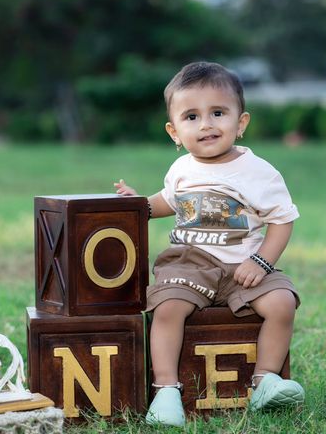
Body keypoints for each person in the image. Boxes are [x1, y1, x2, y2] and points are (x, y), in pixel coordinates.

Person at [114, 61, 304, 426]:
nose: (206, 124)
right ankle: (166, 390)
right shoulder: (182, 169)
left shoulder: (259, 172)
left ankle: (265, 381)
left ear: (241, 122)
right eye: (191, 117)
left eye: (218, 112)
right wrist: (138, 205)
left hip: (244, 265)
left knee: (281, 302)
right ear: (174, 131)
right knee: (167, 307)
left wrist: (262, 263)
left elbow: (283, 220)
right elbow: (169, 202)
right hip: (189, 262)